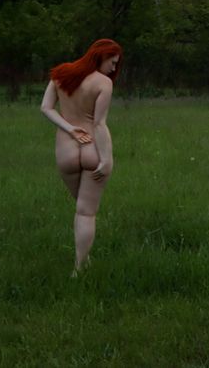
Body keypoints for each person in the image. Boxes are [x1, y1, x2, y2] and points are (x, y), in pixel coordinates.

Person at [40, 39, 122, 276]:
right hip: (92, 149)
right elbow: (99, 124)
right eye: (113, 62)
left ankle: (84, 261)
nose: (114, 69)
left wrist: (69, 129)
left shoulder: (60, 74)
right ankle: (79, 267)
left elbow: (46, 108)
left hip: (66, 149)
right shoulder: (103, 83)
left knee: (81, 207)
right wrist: (106, 159)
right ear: (101, 56)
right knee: (86, 211)